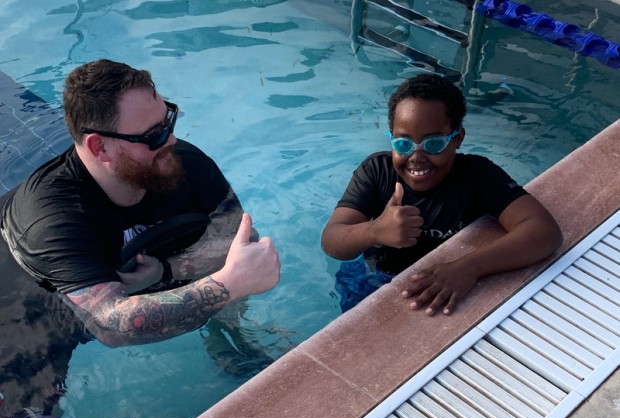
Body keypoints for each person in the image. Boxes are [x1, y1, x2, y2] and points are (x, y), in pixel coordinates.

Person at [0, 59, 280, 347]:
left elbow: (241, 245)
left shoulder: (183, 164)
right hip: (25, 294)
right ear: (101, 147)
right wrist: (228, 285)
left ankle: (228, 342)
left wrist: (169, 269)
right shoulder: (51, 219)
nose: (170, 139)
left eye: (168, 120)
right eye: (153, 135)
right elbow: (111, 327)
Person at [321, 73, 562, 314]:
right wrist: (375, 231)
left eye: (433, 144)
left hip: (445, 276)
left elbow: (544, 231)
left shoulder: (477, 176)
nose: (416, 157)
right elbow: (332, 241)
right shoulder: (377, 171)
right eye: (403, 144)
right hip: (372, 274)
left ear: (457, 138)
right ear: (392, 139)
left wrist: (469, 267)